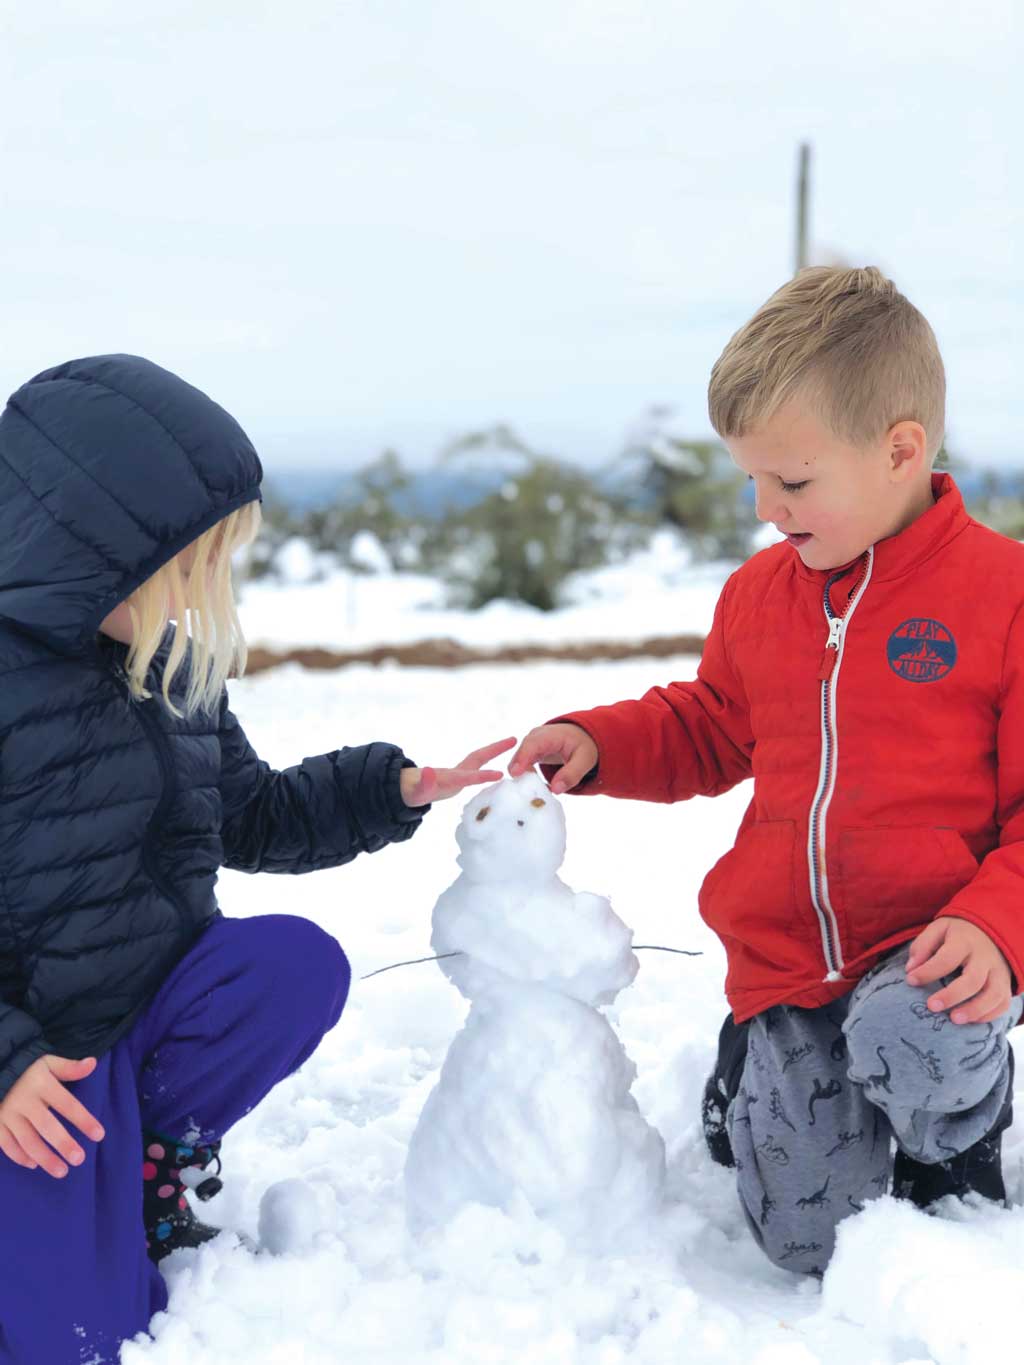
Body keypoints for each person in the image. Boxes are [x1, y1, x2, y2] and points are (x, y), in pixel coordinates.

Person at [0, 354, 513, 1364]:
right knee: (77, 1334)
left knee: (291, 966)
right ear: (87, 549)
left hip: (151, 1002)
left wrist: (388, 788)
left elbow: (253, 813)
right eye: (190, 566)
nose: (206, 593)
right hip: (40, 1059)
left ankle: (151, 1158)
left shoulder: (172, 665)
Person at [510, 266, 1024, 1275]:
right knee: (806, 1242)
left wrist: (998, 924)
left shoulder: (1001, 598)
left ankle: (950, 1136)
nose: (763, 508)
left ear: (901, 451)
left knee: (910, 1030)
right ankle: (756, 1071)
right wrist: (603, 742)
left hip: (934, 954)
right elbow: (710, 725)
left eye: (790, 482)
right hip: (788, 960)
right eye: (750, 478)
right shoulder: (760, 594)